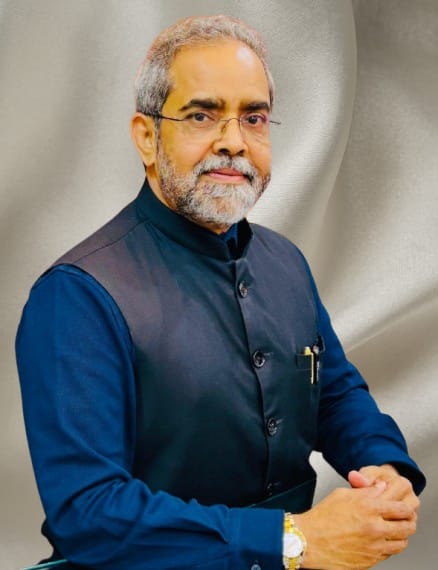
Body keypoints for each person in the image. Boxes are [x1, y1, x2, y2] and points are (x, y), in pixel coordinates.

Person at [16, 14, 425, 570]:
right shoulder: (76, 298)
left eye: (253, 118)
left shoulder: (286, 262)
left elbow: (333, 394)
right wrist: (291, 540)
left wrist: (383, 466)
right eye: (201, 115)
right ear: (146, 136)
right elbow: (88, 513)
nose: (234, 142)